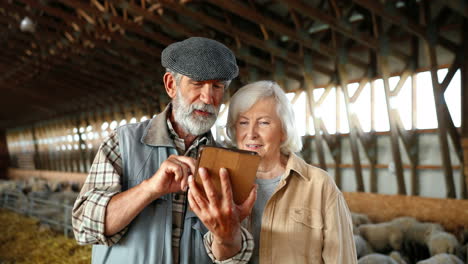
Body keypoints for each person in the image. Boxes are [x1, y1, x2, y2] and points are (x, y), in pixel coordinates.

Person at [72, 37, 256, 264]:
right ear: (171, 85)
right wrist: (150, 189)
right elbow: (84, 226)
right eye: (197, 84)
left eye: (217, 86)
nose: (208, 98)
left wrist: (227, 236)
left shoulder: (229, 163)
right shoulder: (123, 141)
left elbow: (233, 258)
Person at [188, 80, 357, 263]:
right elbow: (218, 257)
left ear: (284, 130)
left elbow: (342, 258)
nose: (251, 133)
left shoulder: (319, 185)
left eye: (264, 123)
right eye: (243, 122)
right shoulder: (222, 183)